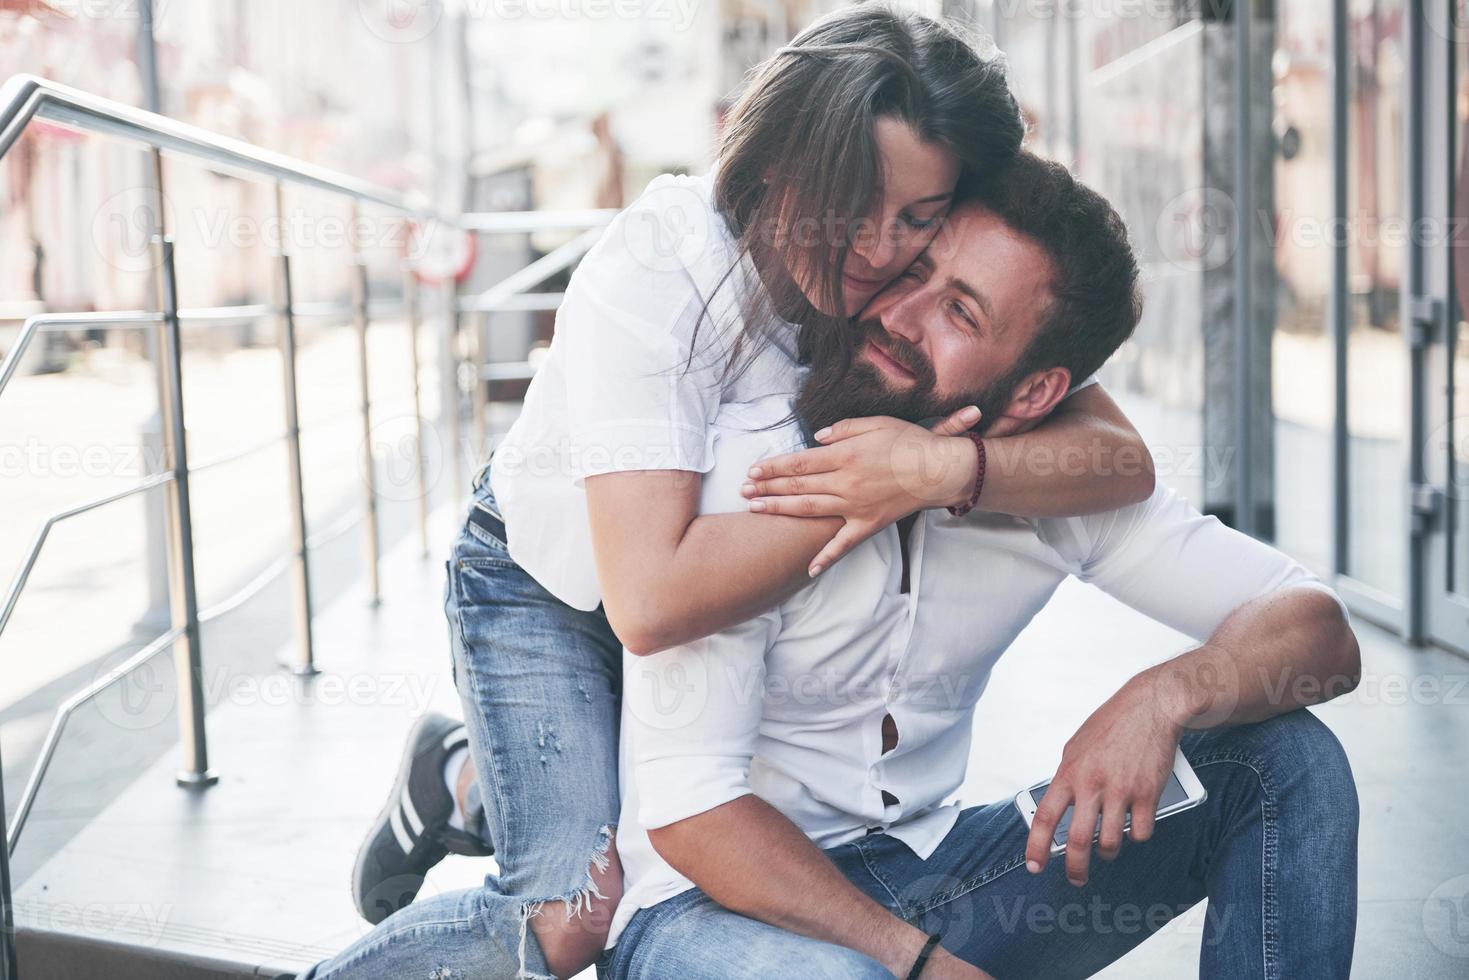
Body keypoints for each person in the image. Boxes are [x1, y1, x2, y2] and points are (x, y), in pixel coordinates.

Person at [304, 8, 1156, 979]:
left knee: (647, 801)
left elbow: (1118, 459)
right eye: (859, 201)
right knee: (572, 912)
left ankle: (469, 775)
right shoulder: (661, 266)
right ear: (787, 155)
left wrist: (947, 468)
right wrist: (889, 470)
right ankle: (448, 804)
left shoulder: (907, 289)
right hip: (552, 584)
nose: (880, 247)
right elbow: (650, 599)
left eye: (919, 217)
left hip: (713, 602)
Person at [603, 153, 1362, 979]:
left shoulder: (1051, 481)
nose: (898, 313)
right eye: (914, 271)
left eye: (959, 313)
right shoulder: (754, 458)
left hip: (929, 875)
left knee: (1282, 761)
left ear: (1035, 395)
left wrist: (1164, 695)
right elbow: (692, 813)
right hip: (707, 912)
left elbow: (1316, 627)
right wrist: (920, 964)